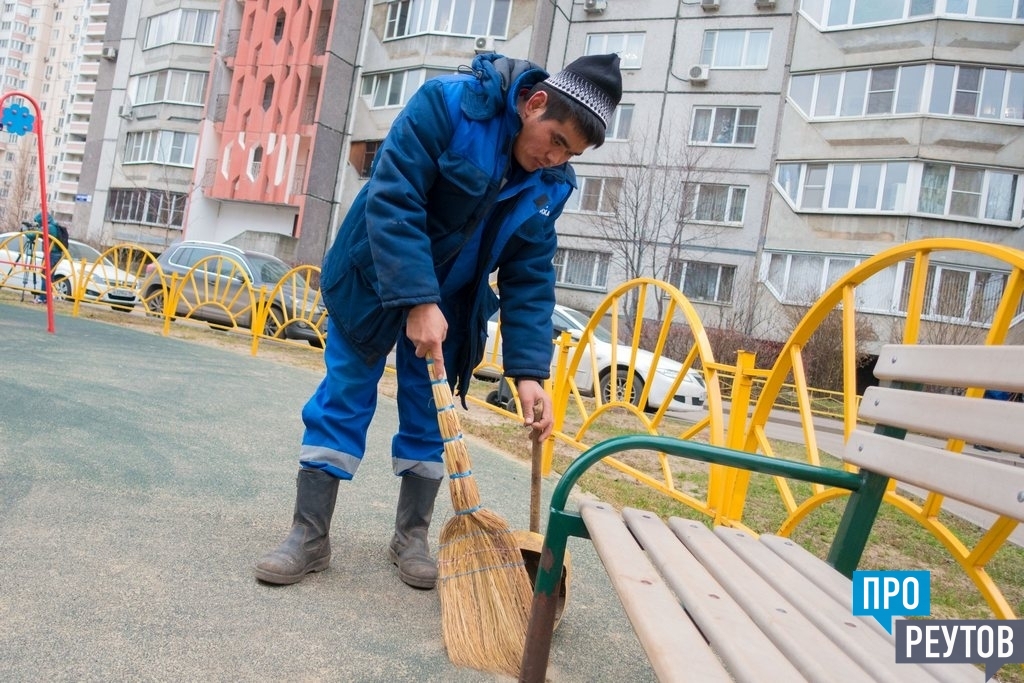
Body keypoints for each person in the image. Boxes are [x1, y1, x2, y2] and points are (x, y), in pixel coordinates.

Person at [253, 52, 622, 589]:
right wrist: (417, 300)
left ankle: (412, 538)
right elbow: (394, 197)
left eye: (572, 154)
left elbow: (529, 276)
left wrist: (528, 373)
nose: (556, 159)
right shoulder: (448, 107)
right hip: (374, 276)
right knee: (346, 393)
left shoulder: (551, 185)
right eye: (557, 141)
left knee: (430, 413)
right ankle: (309, 535)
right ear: (535, 104)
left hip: (450, 303)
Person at [32, 212, 68, 304]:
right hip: (55, 254)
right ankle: (47, 297)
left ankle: (43, 298)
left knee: (45, 276)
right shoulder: (54, 226)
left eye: (38, 222)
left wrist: (26, 230)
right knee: (49, 276)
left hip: (51, 254)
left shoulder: (49, 227)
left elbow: (33, 235)